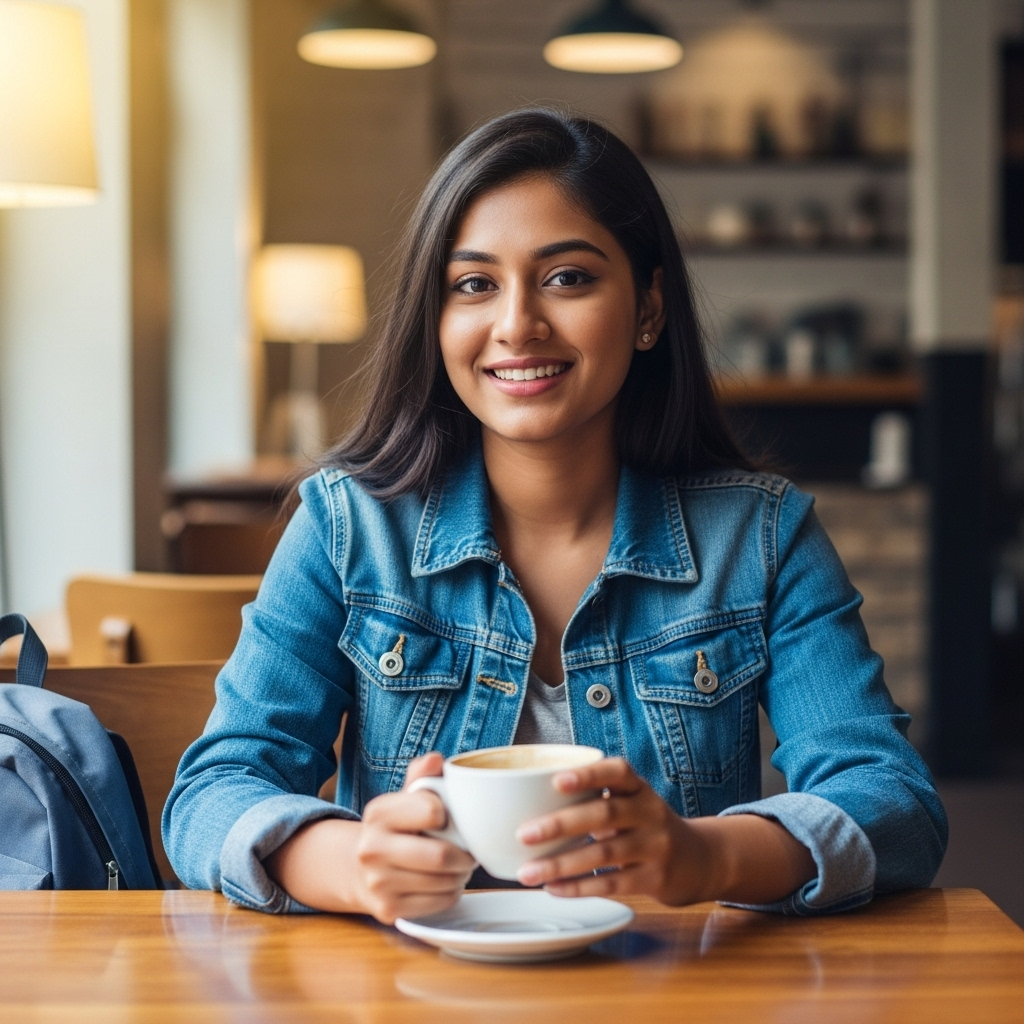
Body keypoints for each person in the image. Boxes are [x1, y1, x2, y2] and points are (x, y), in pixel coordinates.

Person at [164, 108, 946, 923]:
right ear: (436, 322)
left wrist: (705, 854)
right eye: (473, 285)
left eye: (567, 277)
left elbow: (892, 801)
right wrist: (351, 865)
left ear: (648, 308)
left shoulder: (763, 538)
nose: (516, 326)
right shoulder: (346, 526)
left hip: (669, 994)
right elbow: (212, 793)